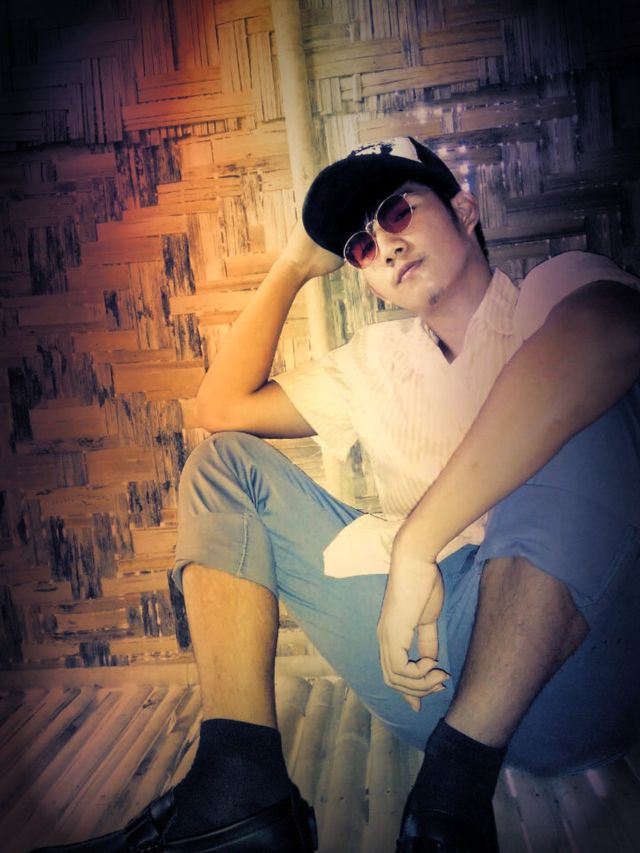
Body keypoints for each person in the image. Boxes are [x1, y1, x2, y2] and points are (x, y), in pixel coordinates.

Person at [33, 137, 640, 853]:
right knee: (224, 466)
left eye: (397, 211)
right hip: (425, 671)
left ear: (465, 211)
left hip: (581, 662)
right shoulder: (373, 363)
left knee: (590, 392)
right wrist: (295, 265)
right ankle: (239, 791)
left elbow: (610, 334)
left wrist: (417, 542)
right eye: (361, 246)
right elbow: (219, 407)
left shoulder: (553, 289)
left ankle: (453, 788)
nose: (385, 245)